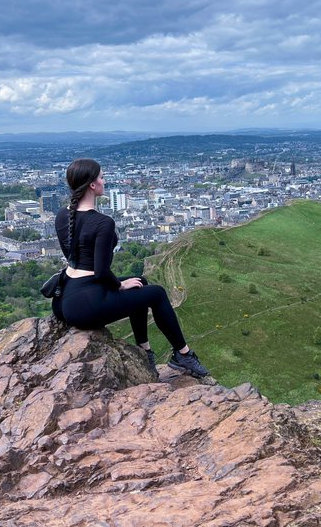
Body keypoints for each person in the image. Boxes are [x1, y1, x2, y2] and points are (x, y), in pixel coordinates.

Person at [54, 157, 209, 379]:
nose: (104, 181)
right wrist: (119, 284)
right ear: (92, 185)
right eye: (101, 177)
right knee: (157, 293)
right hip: (87, 305)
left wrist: (123, 283)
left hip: (67, 297)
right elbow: (101, 271)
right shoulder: (102, 223)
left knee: (140, 282)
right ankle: (183, 354)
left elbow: (75, 259)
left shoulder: (63, 215)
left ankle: (144, 349)